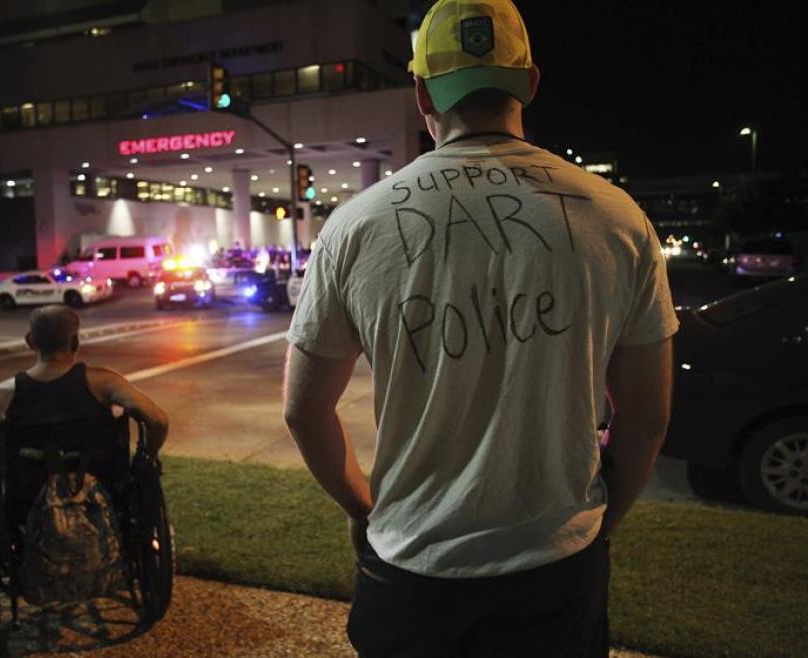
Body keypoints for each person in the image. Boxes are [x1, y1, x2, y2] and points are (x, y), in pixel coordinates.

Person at [283, 1, 678, 655]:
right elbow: (648, 417)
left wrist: (364, 507)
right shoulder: (617, 218)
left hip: (412, 565)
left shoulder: (355, 226)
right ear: (530, 82)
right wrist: (601, 525)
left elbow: (303, 409)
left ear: (420, 93)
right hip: (554, 567)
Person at [0, 305, 169, 488]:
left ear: (30, 341)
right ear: (75, 342)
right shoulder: (104, 382)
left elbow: (0, 450)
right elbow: (158, 421)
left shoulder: (1, 394)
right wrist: (149, 456)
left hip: (29, 491)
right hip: (102, 485)